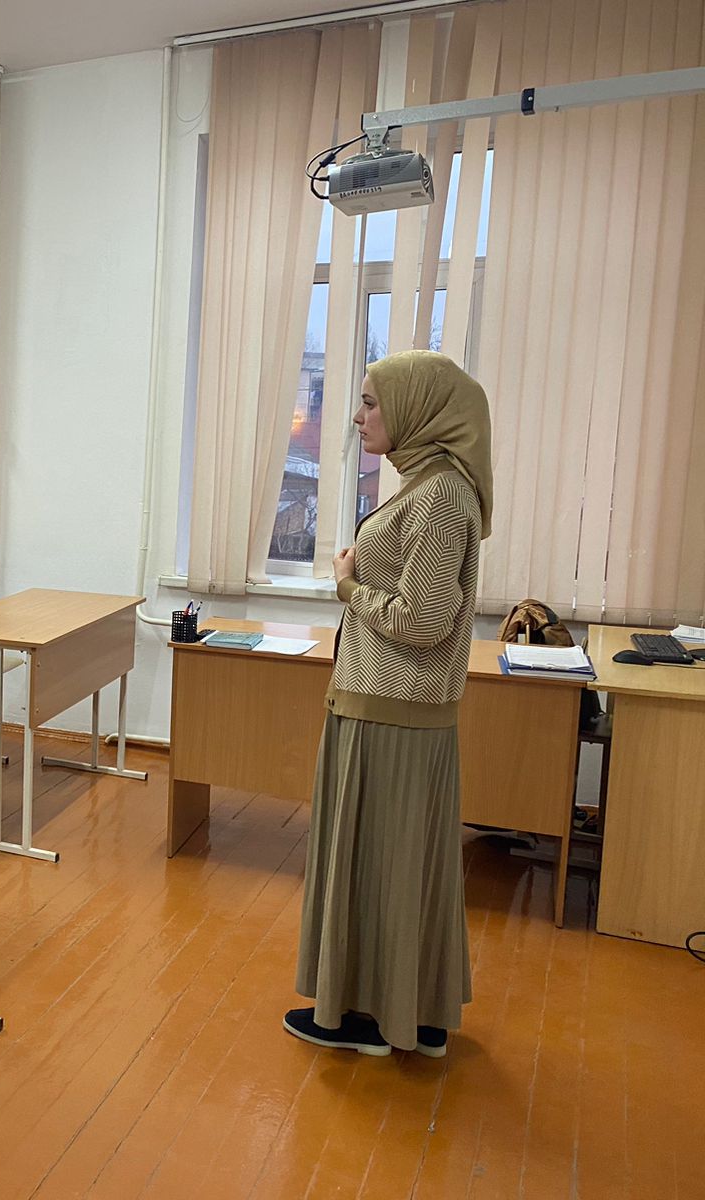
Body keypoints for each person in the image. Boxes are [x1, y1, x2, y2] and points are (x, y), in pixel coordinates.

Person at [288, 350, 492, 1060]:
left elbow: (423, 621)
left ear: (417, 409)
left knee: (382, 867)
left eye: (371, 401)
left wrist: (349, 587)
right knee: (399, 867)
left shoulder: (440, 496)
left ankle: (368, 1019)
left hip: (390, 713)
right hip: (388, 710)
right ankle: (410, 1014)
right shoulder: (432, 486)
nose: (356, 415)